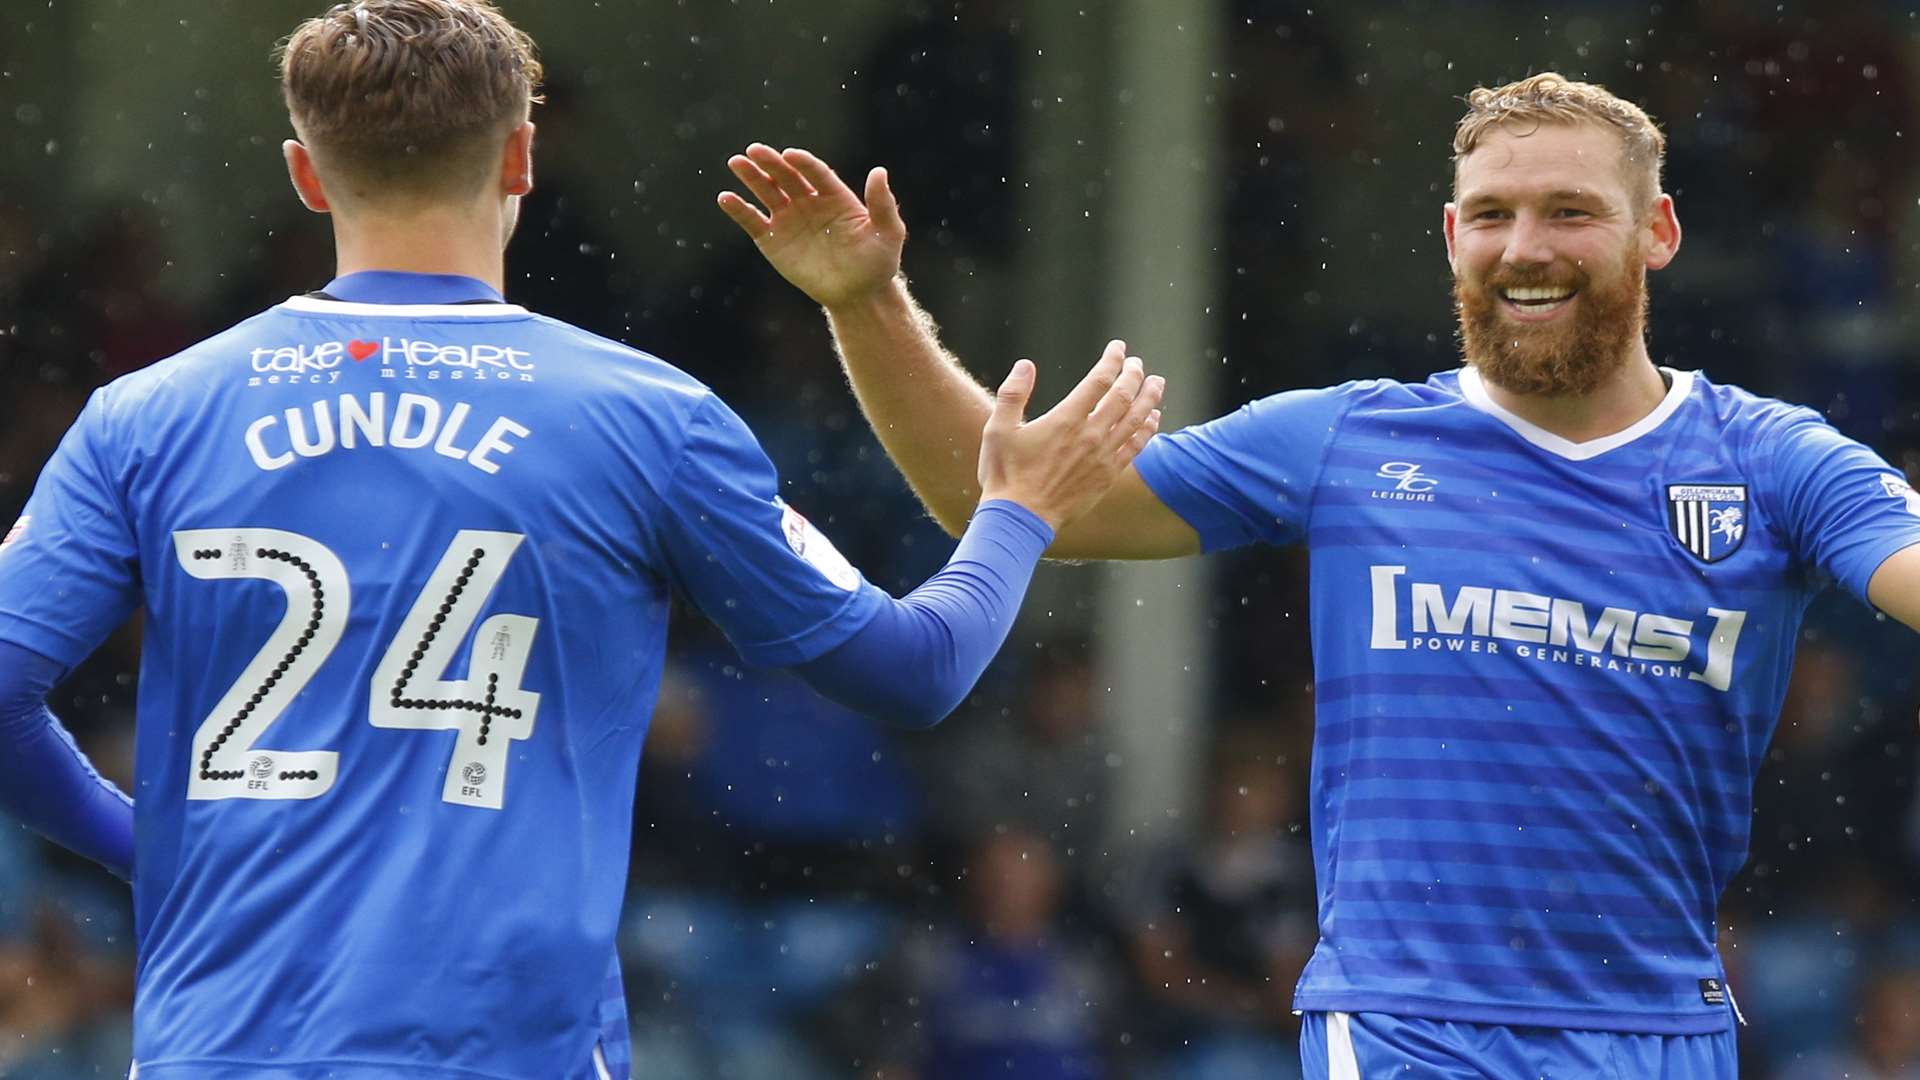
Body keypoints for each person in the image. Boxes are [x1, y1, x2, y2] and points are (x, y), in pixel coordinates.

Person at [0, 2, 1166, 1077]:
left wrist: (148, 848)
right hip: (505, 1047)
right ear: (521, 160)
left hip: (223, 1047)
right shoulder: (642, 418)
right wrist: (1017, 509)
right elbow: (916, 671)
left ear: (307, 177)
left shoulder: (148, 417)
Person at [718, 71, 1920, 1077]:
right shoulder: (1351, 437)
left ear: (1655, 232)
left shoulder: (1772, 460)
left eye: (1570, 212)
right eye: (1492, 214)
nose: (1525, 248)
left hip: (1664, 1031)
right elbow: (1003, 496)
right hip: (1408, 1024)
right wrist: (868, 301)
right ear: (1453, 236)